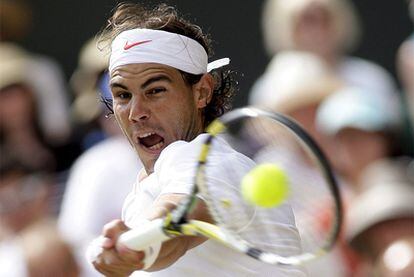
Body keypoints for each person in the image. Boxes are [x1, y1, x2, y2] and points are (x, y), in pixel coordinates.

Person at [89, 3, 304, 276]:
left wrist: (140, 247)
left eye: (155, 90)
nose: (136, 113)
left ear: (202, 92)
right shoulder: (140, 194)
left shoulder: (207, 158)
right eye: (122, 95)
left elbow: (182, 216)